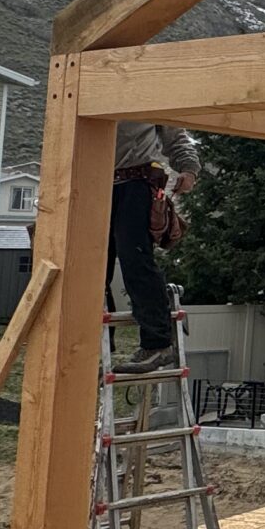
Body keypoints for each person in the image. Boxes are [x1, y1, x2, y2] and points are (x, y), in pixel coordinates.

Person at [112, 121, 200, 372]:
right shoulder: (90, 98)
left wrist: (189, 169)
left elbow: (176, 136)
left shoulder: (146, 101)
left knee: (135, 260)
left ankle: (157, 344)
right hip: (96, 182)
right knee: (96, 268)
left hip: (136, 182)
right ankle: (92, 347)